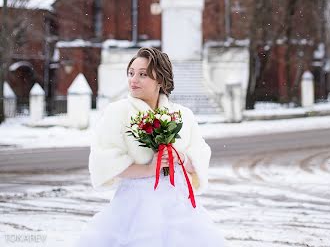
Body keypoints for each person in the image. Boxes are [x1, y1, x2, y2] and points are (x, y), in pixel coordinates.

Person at [74, 47, 227, 246]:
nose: (133, 80)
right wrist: (149, 169)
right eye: (131, 73)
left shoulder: (182, 115)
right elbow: (105, 161)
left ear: (160, 80)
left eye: (142, 74)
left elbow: (200, 155)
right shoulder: (117, 112)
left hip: (179, 206)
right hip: (136, 204)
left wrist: (181, 159)